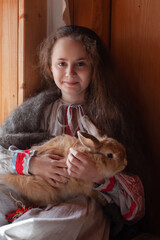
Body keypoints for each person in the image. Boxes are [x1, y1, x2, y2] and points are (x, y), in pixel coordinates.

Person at [0, 25, 145, 240]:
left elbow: (137, 209)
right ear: (50, 68)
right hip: (28, 191)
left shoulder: (110, 118)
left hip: (80, 203)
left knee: (57, 223)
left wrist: (97, 177)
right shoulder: (32, 112)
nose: (70, 73)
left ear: (94, 67)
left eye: (80, 64)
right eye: (61, 64)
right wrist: (32, 163)